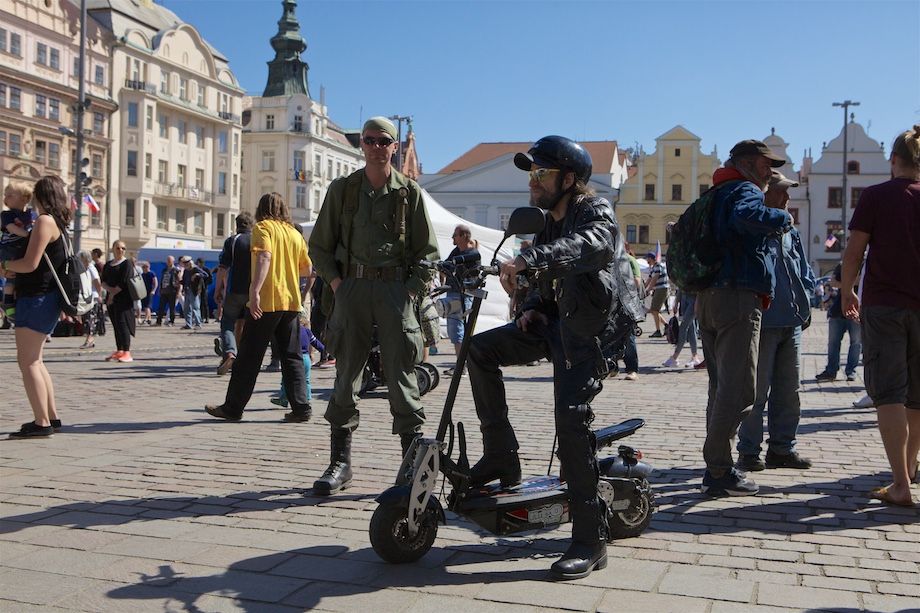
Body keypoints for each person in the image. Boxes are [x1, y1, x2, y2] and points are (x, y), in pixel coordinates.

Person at [466, 135, 643, 580]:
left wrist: (530, 260)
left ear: (569, 179)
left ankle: (590, 539)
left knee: (571, 420)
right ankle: (502, 455)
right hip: (559, 324)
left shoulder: (594, 212)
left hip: (593, 335)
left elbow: (591, 248)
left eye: (541, 173)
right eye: (531, 173)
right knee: (480, 349)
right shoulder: (547, 222)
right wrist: (529, 307)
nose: (533, 181)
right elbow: (547, 287)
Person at [308, 116, 438, 496]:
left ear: (394, 147)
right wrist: (337, 283)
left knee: (401, 377)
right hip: (352, 290)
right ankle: (340, 463)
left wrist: (411, 291)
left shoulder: (408, 193)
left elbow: (427, 253)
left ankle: (409, 469)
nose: (377, 147)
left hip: (395, 292)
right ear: (361, 145)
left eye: (384, 141)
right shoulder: (343, 190)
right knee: (346, 375)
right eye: (370, 140)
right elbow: (319, 245)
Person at [695, 139, 793, 497]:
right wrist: (782, 218)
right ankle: (719, 470)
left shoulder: (716, 191)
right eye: (767, 165)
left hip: (708, 297)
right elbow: (748, 216)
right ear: (749, 163)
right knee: (739, 392)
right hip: (736, 297)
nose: (770, 172)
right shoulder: (744, 189)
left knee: (721, 388)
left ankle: (716, 463)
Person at [841, 125, 920, 507]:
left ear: (894, 161)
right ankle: (910, 471)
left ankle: (900, 484)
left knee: (889, 394)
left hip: (886, 305)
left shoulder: (875, 196)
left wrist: (846, 289)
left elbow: (854, 251)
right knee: (918, 398)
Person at [204, 192, 313, 423]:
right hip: (291, 302)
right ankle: (301, 407)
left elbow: (264, 257)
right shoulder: (294, 233)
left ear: (261, 209)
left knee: (248, 358)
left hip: (268, 301)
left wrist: (254, 291)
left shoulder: (263, 228)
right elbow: (307, 268)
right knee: (291, 357)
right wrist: (287, 268)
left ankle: (233, 408)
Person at [736, 170, 815, 472]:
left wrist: (804, 298)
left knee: (789, 391)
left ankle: (782, 449)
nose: (787, 198)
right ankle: (749, 452)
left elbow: (803, 270)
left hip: (791, 322)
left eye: (787, 192)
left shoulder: (790, 231)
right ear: (765, 194)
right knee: (755, 394)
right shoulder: (752, 229)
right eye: (781, 192)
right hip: (762, 322)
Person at [1, 176, 70, 437]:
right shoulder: (59, 224)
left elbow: (30, 263)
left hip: (36, 298)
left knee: (27, 361)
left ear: (41, 196)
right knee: (36, 360)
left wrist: (5, 266)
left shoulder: (44, 221)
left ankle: (41, 422)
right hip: (46, 298)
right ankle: (51, 416)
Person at [214, 211, 253, 376]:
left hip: (235, 289)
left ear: (236, 225)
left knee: (228, 322)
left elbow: (223, 268)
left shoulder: (232, 241)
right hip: (253, 291)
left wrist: (218, 290)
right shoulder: (258, 239)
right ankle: (244, 360)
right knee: (246, 325)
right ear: (251, 225)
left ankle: (230, 352)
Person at [442, 223, 480, 377]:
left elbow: (472, 274)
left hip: (462, 295)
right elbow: (445, 265)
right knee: (455, 330)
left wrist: (451, 267)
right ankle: (461, 364)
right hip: (453, 293)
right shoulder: (457, 251)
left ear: (464, 236)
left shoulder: (473, 254)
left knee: (458, 330)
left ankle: (462, 366)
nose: (453, 238)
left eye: (455, 235)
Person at [815, 263, 862, 382]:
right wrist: (850, 282)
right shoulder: (842, 265)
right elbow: (833, 282)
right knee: (833, 343)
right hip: (838, 311)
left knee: (856, 343)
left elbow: (861, 281)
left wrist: (844, 283)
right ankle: (831, 371)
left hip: (856, 310)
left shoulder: (865, 265)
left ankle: (851, 371)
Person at [270, 311, 324, 410]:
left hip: (295, 357)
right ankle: (307, 399)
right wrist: (324, 350)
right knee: (306, 380)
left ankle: (284, 398)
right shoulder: (307, 331)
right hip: (306, 358)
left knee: (286, 379)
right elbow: (315, 342)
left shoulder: (290, 331)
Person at [1, 181, 35, 325]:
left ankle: (15, 301)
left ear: (24, 198)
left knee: (19, 275)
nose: (5, 198)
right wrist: (29, 235)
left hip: (23, 249)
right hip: (8, 248)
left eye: (10, 195)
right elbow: (12, 228)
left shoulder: (31, 214)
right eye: (5, 195)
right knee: (11, 276)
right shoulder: (7, 214)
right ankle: (7, 303)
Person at [101, 240, 136, 362]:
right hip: (111, 300)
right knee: (116, 325)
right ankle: (119, 349)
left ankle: (127, 352)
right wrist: (109, 291)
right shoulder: (108, 264)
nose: (120, 250)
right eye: (118, 248)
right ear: (113, 249)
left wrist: (111, 295)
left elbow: (124, 282)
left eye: (123, 248)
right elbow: (103, 281)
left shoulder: (127, 264)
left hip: (123, 300)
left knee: (123, 324)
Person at [622, 241, 642, 380]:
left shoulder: (630, 260)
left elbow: (637, 281)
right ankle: (612, 367)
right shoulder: (609, 260)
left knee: (629, 336)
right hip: (612, 302)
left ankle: (632, 369)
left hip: (628, 302)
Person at [78, 250, 104, 349]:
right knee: (87, 318)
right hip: (86, 296)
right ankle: (90, 339)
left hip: (93, 296)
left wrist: (100, 295)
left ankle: (90, 339)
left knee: (91, 318)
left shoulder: (91, 268)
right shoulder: (82, 268)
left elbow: (97, 281)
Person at [178, 255, 207, 330]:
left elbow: (205, 275)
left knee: (195, 308)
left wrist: (197, 274)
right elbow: (184, 281)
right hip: (187, 290)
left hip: (194, 291)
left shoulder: (196, 269)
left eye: (186, 263)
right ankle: (188, 324)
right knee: (187, 308)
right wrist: (179, 282)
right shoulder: (186, 270)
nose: (184, 265)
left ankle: (198, 324)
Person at [644, 252, 669, 337]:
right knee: (654, 310)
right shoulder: (653, 268)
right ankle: (667, 326)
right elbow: (649, 279)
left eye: (647, 258)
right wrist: (642, 289)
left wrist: (648, 289)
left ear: (651, 258)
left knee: (654, 310)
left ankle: (658, 331)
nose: (646, 260)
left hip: (661, 289)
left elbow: (655, 278)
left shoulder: (658, 266)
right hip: (659, 289)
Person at [156, 255, 180, 326]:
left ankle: (171, 321)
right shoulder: (164, 270)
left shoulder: (176, 270)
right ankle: (158, 322)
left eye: (170, 261)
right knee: (161, 307)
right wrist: (160, 289)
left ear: (173, 261)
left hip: (172, 291)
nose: (168, 262)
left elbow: (179, 281)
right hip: (164, 291)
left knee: (172, 307)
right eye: (167, 260)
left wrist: (178, 292)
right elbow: (162, 280)